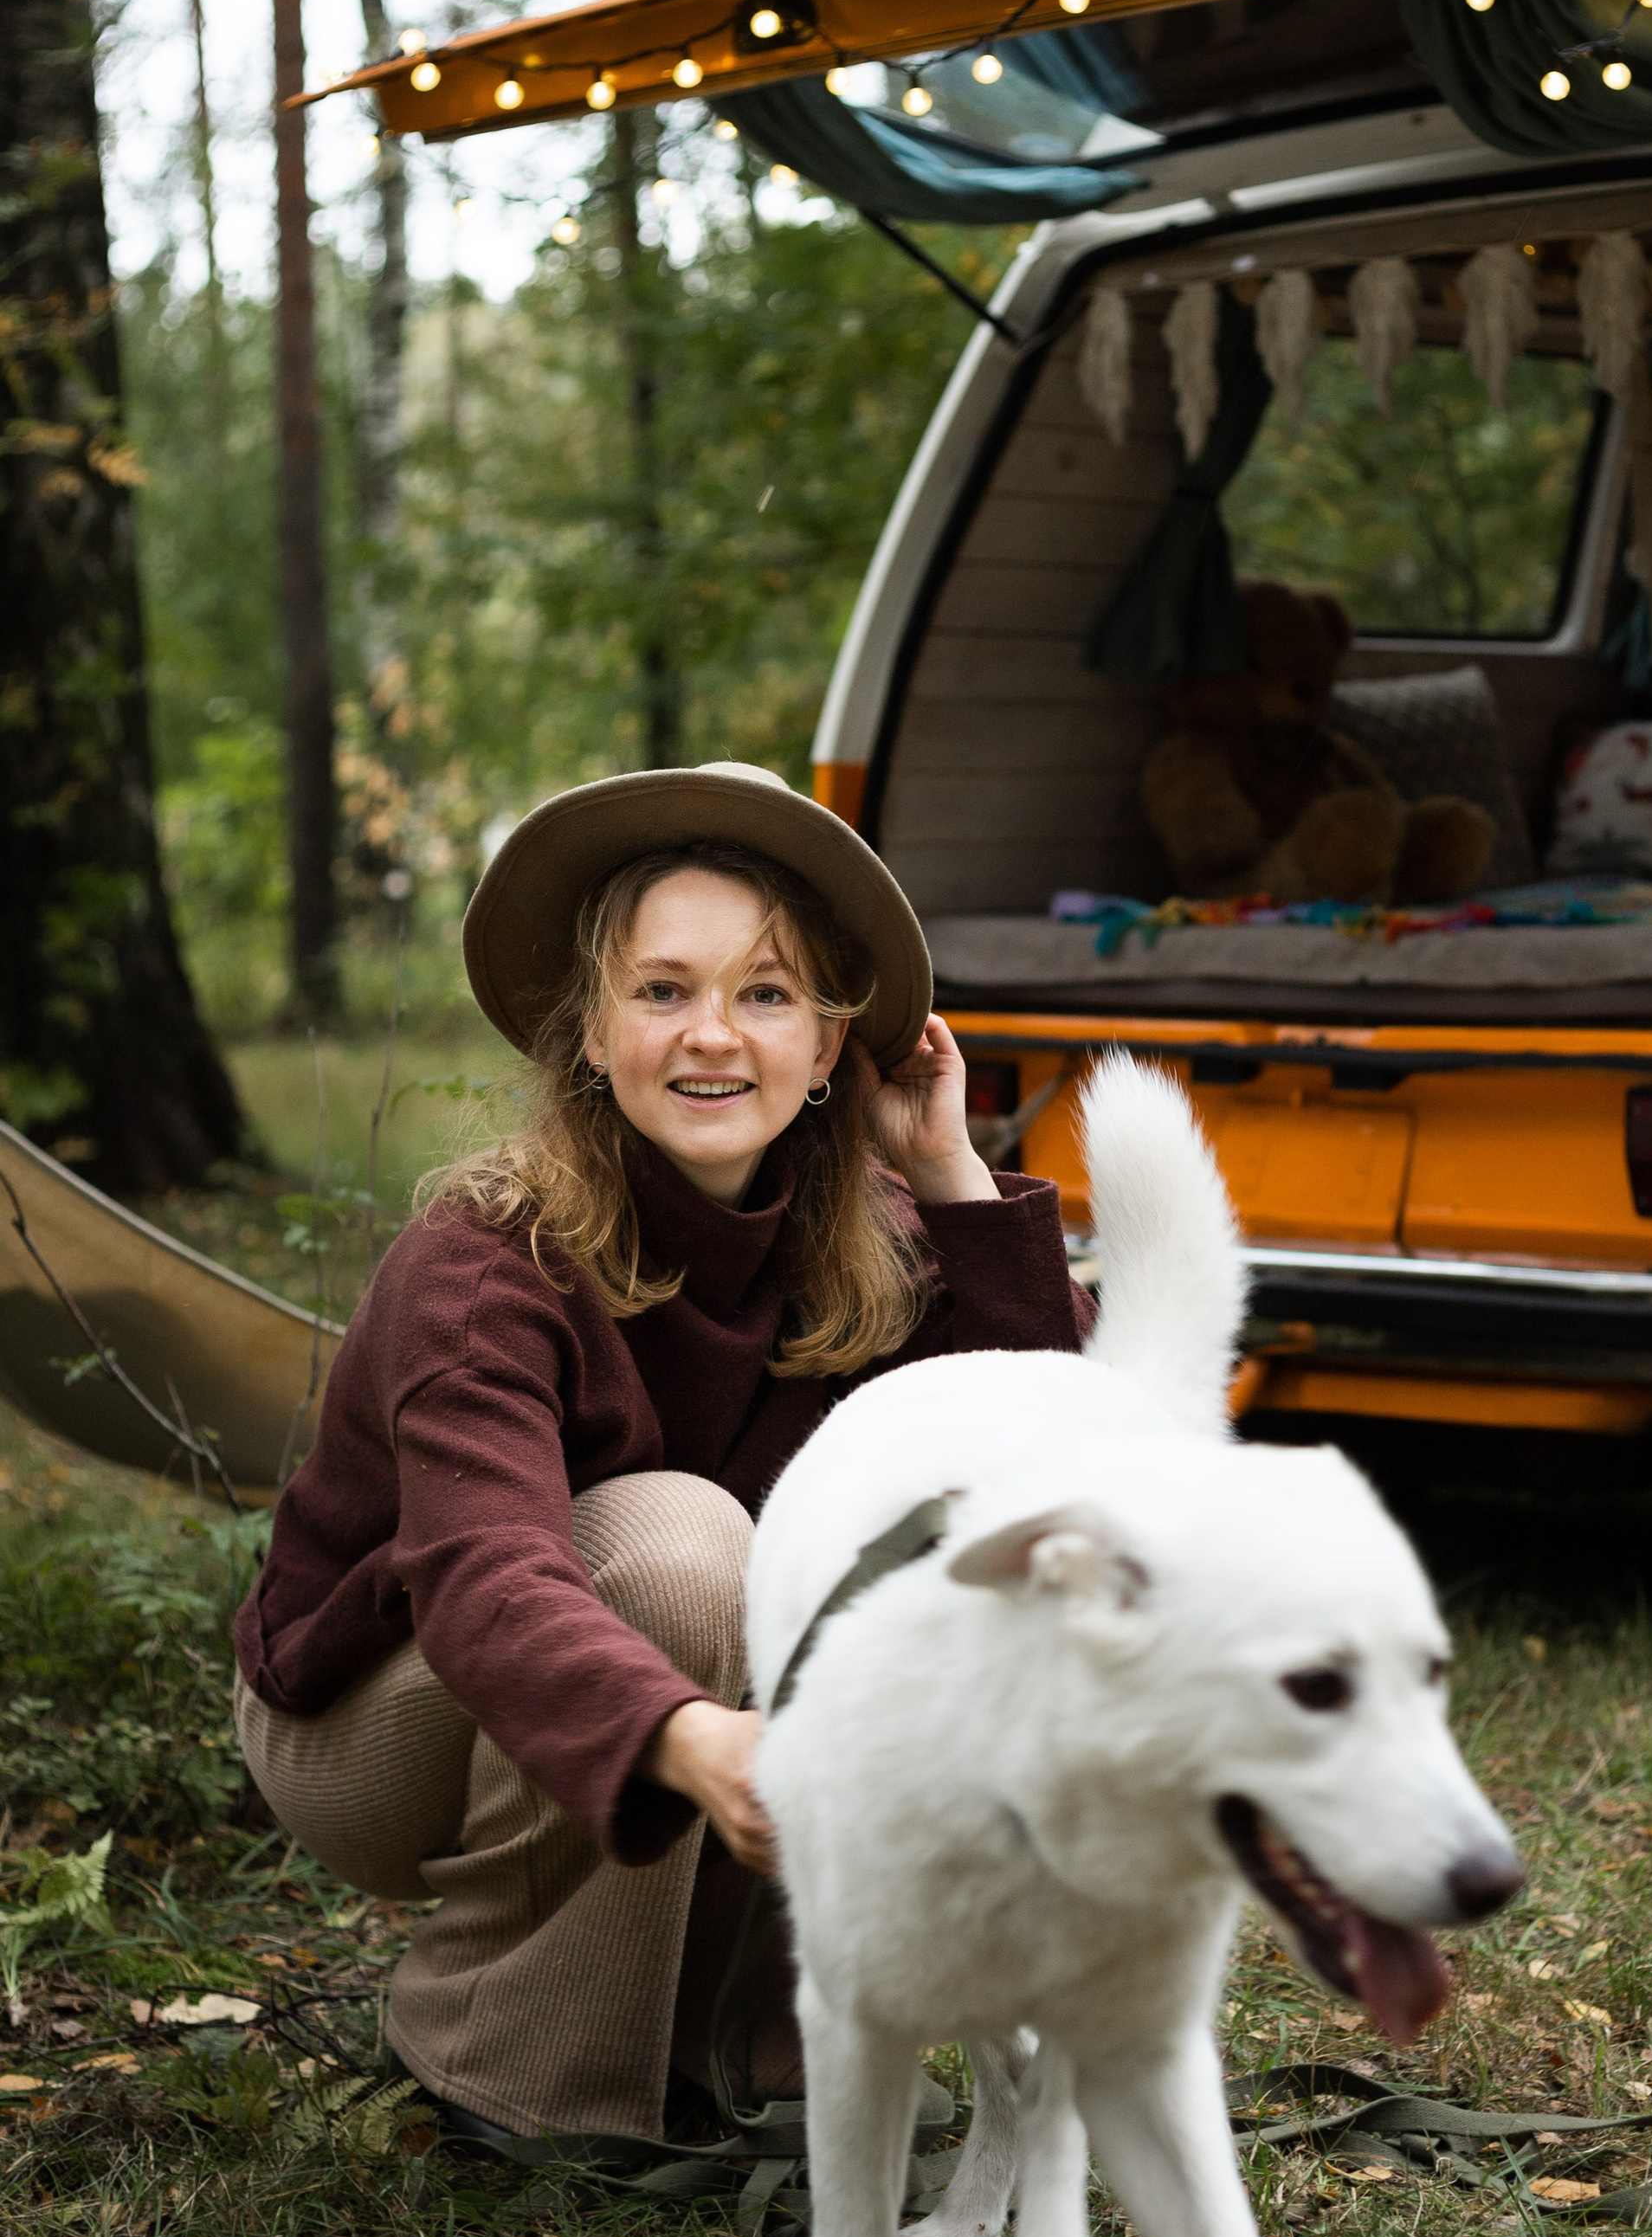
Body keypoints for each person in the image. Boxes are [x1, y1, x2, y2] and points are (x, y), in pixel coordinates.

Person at [233, 762, 1086, 2158]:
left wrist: (951, 1178)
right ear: (589, 1028)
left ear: (833, 1051)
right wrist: (699, 1742)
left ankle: (745, 2023)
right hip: (375, 1721)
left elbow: (1050, 1439)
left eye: (765, 995)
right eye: (663, 989)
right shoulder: (486, 1262)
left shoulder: (869, 1234)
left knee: (903, 1536)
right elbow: (482, 1573)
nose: (713, 1037)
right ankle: (508, 2064)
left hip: (652, 1690)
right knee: (688, 1547)